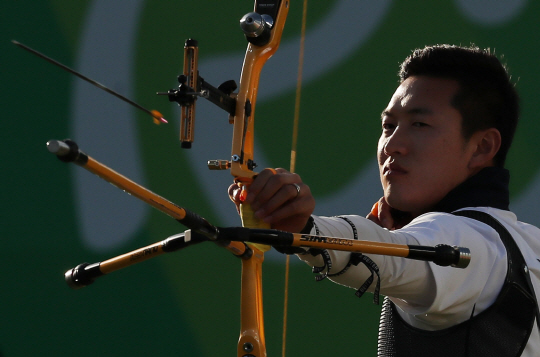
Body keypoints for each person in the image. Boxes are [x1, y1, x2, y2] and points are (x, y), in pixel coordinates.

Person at [229, 44, 540, 356]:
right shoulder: (529, 242)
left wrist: (304, 229)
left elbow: (392, 259)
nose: (392, 145)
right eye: (388, 126)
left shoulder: (465, 239)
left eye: (420, 124)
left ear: (483, 147)